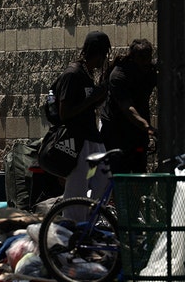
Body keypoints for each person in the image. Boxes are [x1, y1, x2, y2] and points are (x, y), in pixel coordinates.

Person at [54, 31, 110, 217]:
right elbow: (65, 113)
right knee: (77, 188)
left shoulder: (86, 74)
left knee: (103, 181)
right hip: (78, 142)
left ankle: (89, 224)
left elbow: (87, 105)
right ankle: (71, 230)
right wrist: (92, 98)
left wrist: (98, 98)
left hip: (92, 139)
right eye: (104, 55)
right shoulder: (73, 74)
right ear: (99, 53)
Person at [100, 39, 157, 174]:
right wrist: (148, 127)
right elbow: (128, 109)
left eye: (148, 60)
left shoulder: (150, 69)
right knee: (119, 173)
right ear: (133, 59)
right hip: (116, 130)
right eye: (142, 61)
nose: (145, 65)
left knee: (139, 170)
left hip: (137, 131)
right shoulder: (119, 75)